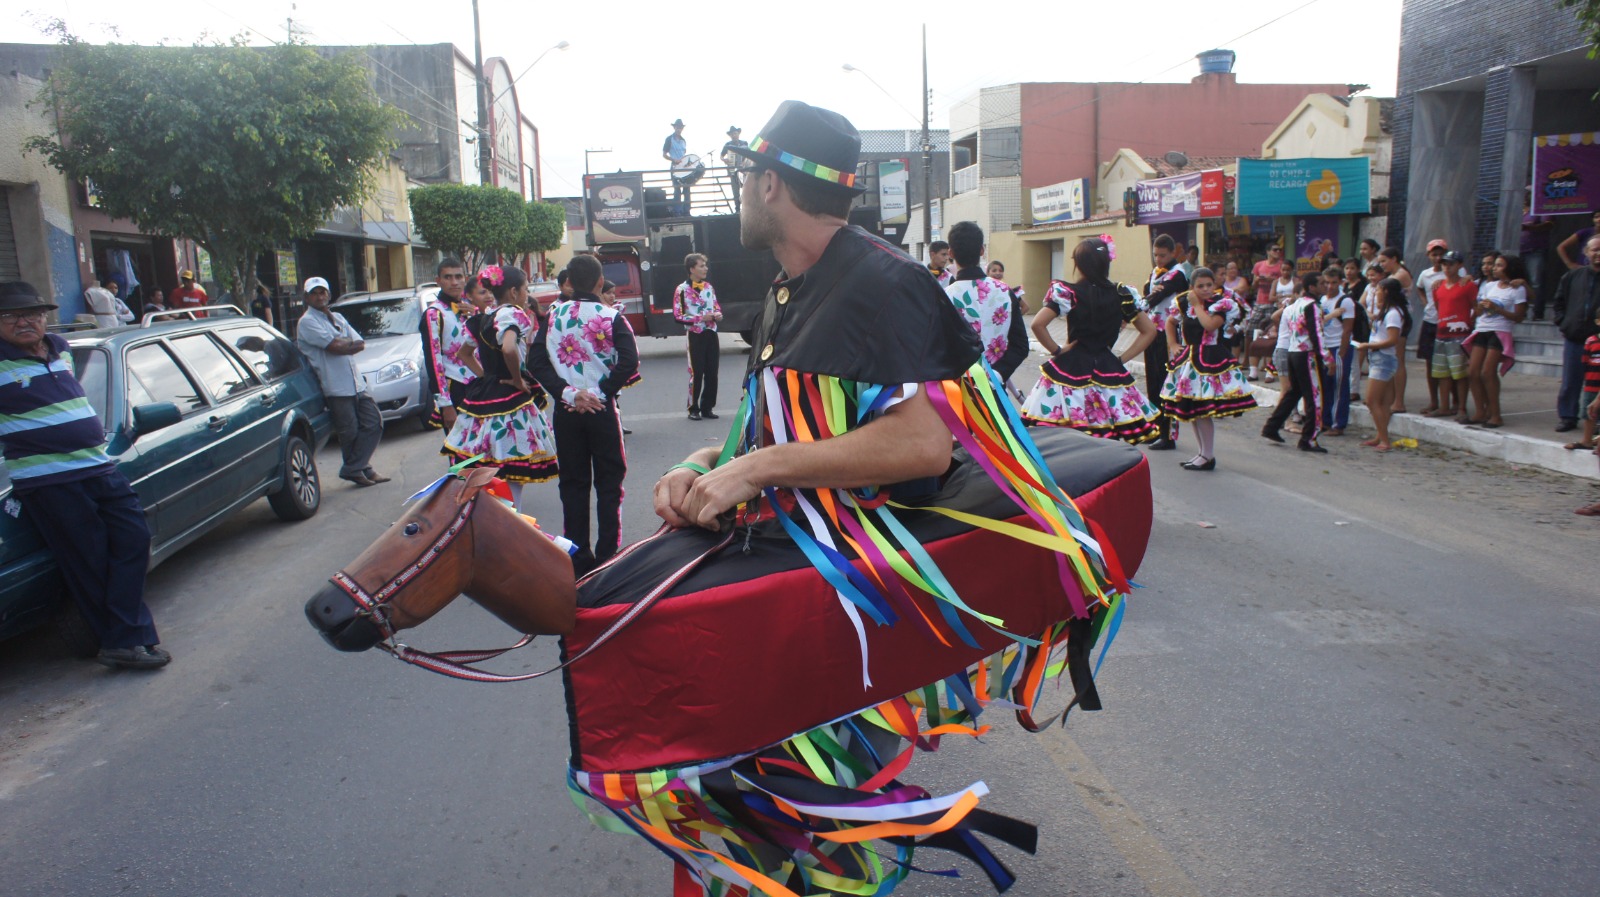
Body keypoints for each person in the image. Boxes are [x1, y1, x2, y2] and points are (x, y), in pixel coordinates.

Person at [0, 282, 168, 668]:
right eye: (10, 316)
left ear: (45, 318)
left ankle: (123, 636)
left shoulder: (60, 349)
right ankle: (126, 641)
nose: (24, 322)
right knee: (89, 558)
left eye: (33, 314)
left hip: (97, 464)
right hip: (49, 479)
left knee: (134, 539)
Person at [529, 254, 639, 576]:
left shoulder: (552, 315)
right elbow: (629, 361)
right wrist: (601, 392)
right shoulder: (612, 317)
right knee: (609, 483)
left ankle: (577, 558)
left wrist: (568, 394)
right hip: (602, 411)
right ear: (600, 281)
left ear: (569, 282)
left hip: (567, 412)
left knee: (573, 484)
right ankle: (607, 557)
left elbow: (535, 362)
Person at [1022, 236, 1160, 442]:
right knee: (1107, 437)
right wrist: (1121, 359)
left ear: (1078, 264)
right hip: (1107, 366)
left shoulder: (1069, 292)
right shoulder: (1122, 294)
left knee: (1068, 437)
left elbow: (1037, 324)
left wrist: (1057, 350)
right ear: (1107, 262)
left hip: (1070, 367)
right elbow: (1149, 331)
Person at [443, 264, 559, 505]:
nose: (527, 294)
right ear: (514, 292)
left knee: (489, 466)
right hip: (510, 398)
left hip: (485, 395)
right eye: (526, 289)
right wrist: (516, 378)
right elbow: (508, 348)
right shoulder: (514, 314)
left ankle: (496, 514)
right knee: (511, 466)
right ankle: (510, 517)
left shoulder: (483, 318)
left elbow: (464, 354)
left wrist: (487, 376)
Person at [1157, 267, 1258, 469]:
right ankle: (1202, 453)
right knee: (1194, 411)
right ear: (1192, 287)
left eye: (1209, 285)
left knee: (1202, 410)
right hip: (1189, 360)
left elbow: (1209, 325)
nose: (1205, 289)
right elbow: (1170, 322)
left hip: (1210, 359)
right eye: (1200, 286)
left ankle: (1208, 455)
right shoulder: (1183, 302)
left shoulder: (1221, 304)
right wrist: (1173, 344)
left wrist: (1197, 305)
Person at [295, 276, 389, 487]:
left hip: (355, 382)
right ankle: (360, 470)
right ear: (307, 298)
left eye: (322, 292)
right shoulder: (307, 322)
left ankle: (355, 468)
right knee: (350, 431)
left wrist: (345, 344)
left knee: (373, 422)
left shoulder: (337, 317)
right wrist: (345, 343)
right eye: (314, 293)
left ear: (328, 294)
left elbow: (359, 343)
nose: (319, 297)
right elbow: (336, 347)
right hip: (335, 386)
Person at [946, 221, 1028, 383]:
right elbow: (1021, 345)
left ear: (951, 253)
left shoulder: (944, 296)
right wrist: (998, 374)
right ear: (982, 250)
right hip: (995, 386)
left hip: (954, 387)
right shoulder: (1005, 291)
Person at [1261, 272, 1328, 452]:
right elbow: (1317, 334)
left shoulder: (1295, 305)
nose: (1326, 286)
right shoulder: (1312, 306)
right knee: (1314, 397)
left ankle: (1272, 426)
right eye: (1322, 283)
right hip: (1307, 354)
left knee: (1294, 393)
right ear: (1312, 287)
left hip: (1293, 351)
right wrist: (1326, 357)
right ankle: (1309, 439)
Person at [1463, 254, 1529, 429]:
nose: (1494, 268)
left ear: (1509, 268)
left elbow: (1519, 317)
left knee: (1488, 372)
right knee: (1473, 371)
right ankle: (1480, 411)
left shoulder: (1517, 289)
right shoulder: (1489, 286)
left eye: (1499, 265)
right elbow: (1477, 312)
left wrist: (1497, 309)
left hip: (1500, 331)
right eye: (1495, 265)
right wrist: (1478, 308)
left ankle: (1495, 414)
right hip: (1482, 329)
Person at [420, 257, 479, 431]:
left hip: (479, 385)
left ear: (465, 279)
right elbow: (433, 361)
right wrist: (445, 404)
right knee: (461, 444)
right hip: (455, 388)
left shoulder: (471, 308)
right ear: (438, 280)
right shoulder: (434, 314)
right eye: (448, 277)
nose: (454, 282)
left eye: (458, 277)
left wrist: (478, 317)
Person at [1143, 234, 1189, 449]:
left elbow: (1157, 296)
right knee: (1152, 381)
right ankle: (1155, 428)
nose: (1158, 259)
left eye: (1162, 255)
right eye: (1155, 255)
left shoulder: (1178, 274)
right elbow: (1148, 293)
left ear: (1173, 253)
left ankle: (1168, 435)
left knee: (1165, 383)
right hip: (1152, 330)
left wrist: (1139, 304)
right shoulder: (1155, 272)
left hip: (1169, 332)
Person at [1353, 277, 1410, 452]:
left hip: (1383, 358)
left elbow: (1392, 340)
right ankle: (1380, 435)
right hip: (1380, 357)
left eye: (1378, 290)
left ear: (1386, 292)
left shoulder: (1393, 313)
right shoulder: (1386, 311)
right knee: (1384, 402)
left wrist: (1368, 346)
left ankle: (1384, 440)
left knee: (1371, 401)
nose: (1375, 293)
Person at [1552, 235, 1600, 434]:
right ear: (1586, 253)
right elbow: (1559, 302)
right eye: (1594, 249)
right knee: (1570, 381)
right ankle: (1568, 416)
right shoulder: (1572, 276)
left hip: (1598, 341)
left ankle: (1595, 420)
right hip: (1574, 337)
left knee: (1597, 383)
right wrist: (1564, 323)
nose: (1598, 253)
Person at [673, 252, 722, 420]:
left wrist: (717, 314)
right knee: (697, 373)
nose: (705, 268)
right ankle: (693, 408)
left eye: (705, 265)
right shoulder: (681, 290)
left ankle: (708, 407)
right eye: (701, 266)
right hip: (695, 335)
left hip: (711, 333)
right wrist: (700, 318)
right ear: (692, 269)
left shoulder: (709, 287)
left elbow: (716, 306)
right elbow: (678, 316)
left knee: (712, 372)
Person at [1431, 251, 1477, 422]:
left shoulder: (1468, 286)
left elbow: (1476, 307)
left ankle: (1461, 407)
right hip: (1442, 332)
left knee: (1460, 373)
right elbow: (1439, 307)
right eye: (1444, 264)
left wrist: (1468, 322)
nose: (1447, 267)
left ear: (1459, 265)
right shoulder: (1438, 286)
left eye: (1451, 264)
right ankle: (1444, 406)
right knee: (1442, 372)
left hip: (1460, 334)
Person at [1318, 265, 1355, 435]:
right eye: (1327, 282)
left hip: (1338, 346)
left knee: (1339, 385)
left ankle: (1338, 424)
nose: (1330, 286)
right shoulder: (1322, 300)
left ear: (1340, 282)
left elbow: (1347, 329)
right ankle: (1325, 420)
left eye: (1334, 283)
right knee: (1325, 385)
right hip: (1325, 347)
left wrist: (1342, 351)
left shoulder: (1345, 301)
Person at [1377, 247, 1415, 414]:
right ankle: (1390, 398)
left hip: (1400, 317)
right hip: (1391, 316)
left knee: (1398, 359)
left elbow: (1383, 288)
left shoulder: (1400, 275)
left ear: (1394, 259)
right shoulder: (1392, 276)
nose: (1381, 265)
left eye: (1384, 261)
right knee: (1391, 358)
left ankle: (1399, 401)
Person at [1416, 239, 1449, 416]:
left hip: (1448, 322)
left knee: (1449, 364)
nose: (1437, 258)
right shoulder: (1425, 274)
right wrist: (1425, 302)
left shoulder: (1454, 271)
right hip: (1430, 319)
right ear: (1428, 255)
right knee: (1430, 363)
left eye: (1440, 254)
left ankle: (1452, 402)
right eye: (1434, 254)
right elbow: (1419, 288)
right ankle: (1434, 400)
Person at [662, 118, 688, 212]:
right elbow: (664, 154)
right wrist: (674, 160)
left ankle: (686, 211)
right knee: (677, 189)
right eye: (677, 127)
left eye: (680, 127)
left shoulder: (683, 140)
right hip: (674, 166)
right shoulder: (669, 139)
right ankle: (677, 211)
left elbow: (684, 154)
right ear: (674, 128)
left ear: (682, 128)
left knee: (686, 188)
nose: (679, 129)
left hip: (684, 167)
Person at [1253, 242, 1286, 309]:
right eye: (1275, 250)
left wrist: (1273, 280)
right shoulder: (1258, 265)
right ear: (1268, 252)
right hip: (1260, 301)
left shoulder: (1283, 265)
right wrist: (1257, 280)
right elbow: (1253, 287)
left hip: (1276, 302)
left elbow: (1287, 282)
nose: (1278, 251)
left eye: (1279, 250)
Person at [720, 125, 749, 200]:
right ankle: (737, 206)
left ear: (738, 134)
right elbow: (721, 155)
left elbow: (748, 154)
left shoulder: (744, 143)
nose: (734, 135)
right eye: (732, 134)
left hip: (743, 169)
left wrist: (744, 162)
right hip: (732, 169)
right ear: (730, 136)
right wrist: (724, 160)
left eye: (735, 133)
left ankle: (745, 203)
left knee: (746, 187)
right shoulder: (728, 145)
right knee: (735, 190)